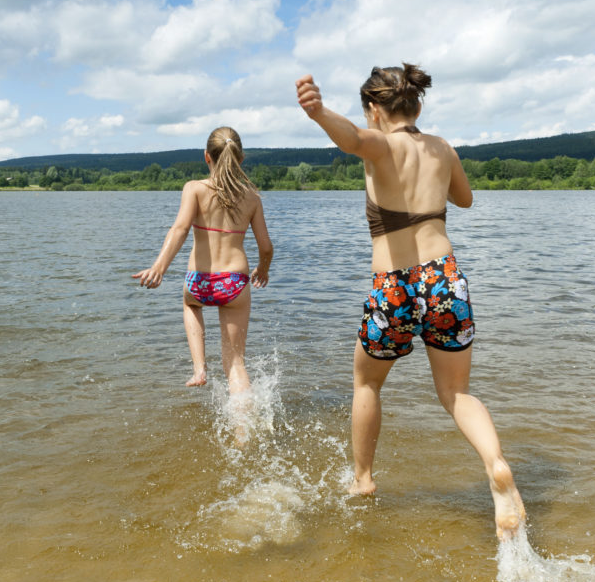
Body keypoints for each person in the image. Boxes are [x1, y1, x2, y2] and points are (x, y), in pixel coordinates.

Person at [295, 65, 526, 540]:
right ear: (417, 105)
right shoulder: (443, 148)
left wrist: (318, 113)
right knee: (457, 394)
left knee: (366, 383)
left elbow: (352, 140)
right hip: (445, 280)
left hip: (394, 284)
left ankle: (363, 480)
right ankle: (496, 465)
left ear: (374, 110)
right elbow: (464, 199)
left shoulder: (381, 145)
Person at [132, 126, 273, 406]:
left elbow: (180, 229)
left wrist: (159, 267)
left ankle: (199, 368)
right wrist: (263, 269)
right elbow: (266, 247)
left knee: (190, 305)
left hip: (199, 282)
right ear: (241, 159)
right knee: (235, 363)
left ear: (206, 156)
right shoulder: (252, 197)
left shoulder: (194, 188)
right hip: (234, 283)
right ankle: (243, 429)